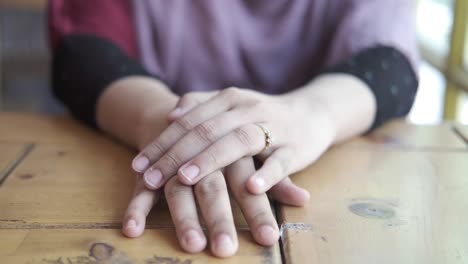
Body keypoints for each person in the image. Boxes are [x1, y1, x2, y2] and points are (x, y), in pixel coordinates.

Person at [48, 0, 419, 258]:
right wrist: (170, 125)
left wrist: (311, 113)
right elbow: (82, 54)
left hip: (321, 199)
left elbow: (391, 63)